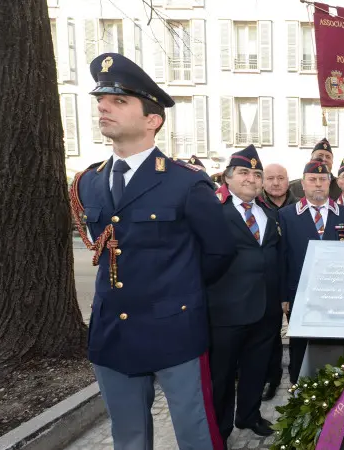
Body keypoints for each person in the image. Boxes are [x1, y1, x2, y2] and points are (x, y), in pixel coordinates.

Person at [70, 52, 235, 450]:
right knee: (127, 436)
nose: (103, 106)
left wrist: (179, 293)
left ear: (152, 120)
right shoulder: (87, 183)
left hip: (174, 328)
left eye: (119, 101)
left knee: (195, 433)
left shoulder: (184, 183)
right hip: (112, 331)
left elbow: (219, 252)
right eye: (101, 100)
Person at [208, 146, 282, 444]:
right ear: (227, 178)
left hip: (265, 307)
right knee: (222, 375)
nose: (251, 178)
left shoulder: (268, 212)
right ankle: (221, 428)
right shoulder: (215, 212)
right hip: (227, 310)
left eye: (256, 173)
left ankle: (249, 414)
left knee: (257, 366)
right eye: (244, 172)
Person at [278, 159, 344, 383]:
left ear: (330, 183)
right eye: (313, 180)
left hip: (337, 294)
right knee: (300, 341)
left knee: (334, 341)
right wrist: (284, 296)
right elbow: (282, 258)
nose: (318, 184)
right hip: (299, 293)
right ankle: (298, 386)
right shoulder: (287, 215)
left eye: (322, 179)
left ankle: (334, 384)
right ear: (303, 183)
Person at [261, 163, 298, 401]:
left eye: (281, 178)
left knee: (297, 333)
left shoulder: (299, 207)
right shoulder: (257, 207)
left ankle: (298, 375)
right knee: (269, 335)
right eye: (271, 178)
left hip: (293, 279)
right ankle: (271, 379)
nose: (276, 183)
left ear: (289, 181)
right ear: (263, 181)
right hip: (266, 281)